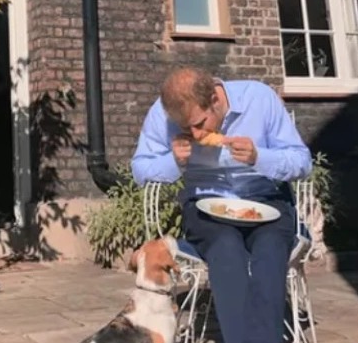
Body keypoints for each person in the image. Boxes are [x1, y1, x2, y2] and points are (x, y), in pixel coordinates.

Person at [131, 66, 312, 343]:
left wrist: (258, 157)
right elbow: (140, 169)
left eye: (200, 124)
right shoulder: (161, 112)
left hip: (266, 199)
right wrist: (175, 161)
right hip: (206, 204)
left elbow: (302, 161)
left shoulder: (259, 99)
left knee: (270, 251)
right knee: (226, 250)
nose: (196, 134)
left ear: (215, 100)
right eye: (185, 128)